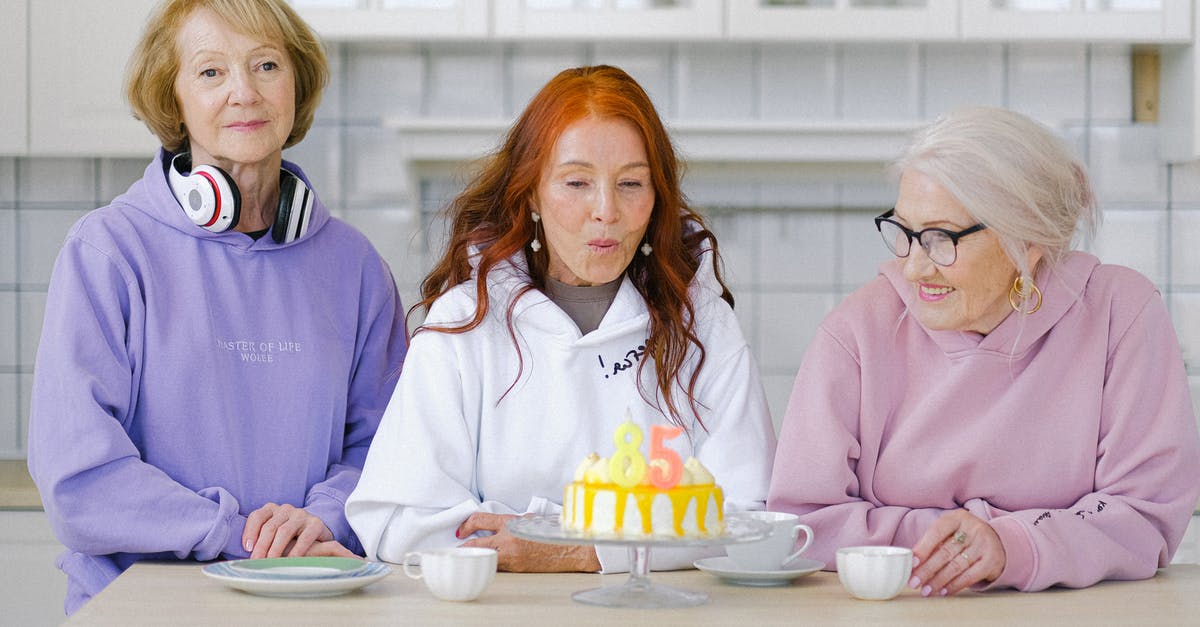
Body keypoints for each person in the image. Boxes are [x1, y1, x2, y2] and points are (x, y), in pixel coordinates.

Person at [26, 0, 407, 614]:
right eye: (210, 72)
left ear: (296, 84)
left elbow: (389, 451)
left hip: (310, 596)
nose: (245, 93)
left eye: (265, 65)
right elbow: (80, 480)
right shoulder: (108, 252)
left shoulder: (356, 268)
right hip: (141, 606)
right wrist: (244, 538)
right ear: (172, 99)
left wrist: (322, 521)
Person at [345, 65, 776, 573]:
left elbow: (751, 518)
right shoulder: (465, 323)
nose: (606, 211)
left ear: (657, 196)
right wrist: (623, 537)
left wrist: (580, 547)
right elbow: (398, 520)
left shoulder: (701, 324)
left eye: (631, 183)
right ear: (531, 193)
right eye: (576, 182)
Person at [767, 106, 1200, 596]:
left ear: (1027, 240)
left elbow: (1145, 515)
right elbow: (803, 524)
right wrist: (967, 544)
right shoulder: (857, 332)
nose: (914, 269)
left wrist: (1012, 544)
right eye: (905, 233)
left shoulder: (1121, 314)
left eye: (940, 239)